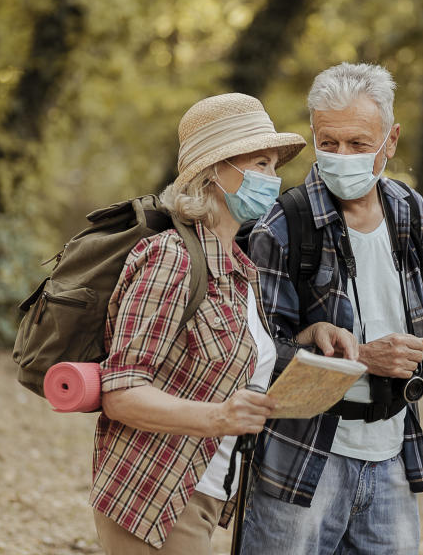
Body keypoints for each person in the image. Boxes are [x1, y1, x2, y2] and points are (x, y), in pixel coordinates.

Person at [242, 63, 423, 554]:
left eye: (358, 144)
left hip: (392, 454)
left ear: (390, 140)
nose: (341, 157)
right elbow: (257, 356)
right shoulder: (280, 226)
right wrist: (359, 360)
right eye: (328, 143)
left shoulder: (410, 212)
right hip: (304, 457)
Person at [89, 93, 357, 555]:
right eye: (260, 163)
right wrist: (217, 418)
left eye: (274, 166)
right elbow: (121, 393)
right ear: (215, 172)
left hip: (207, 493)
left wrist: (304, 338)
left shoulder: (237, 268)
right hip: (155, 496)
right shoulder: (169, 258)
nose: (274, 180)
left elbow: (226, 358)